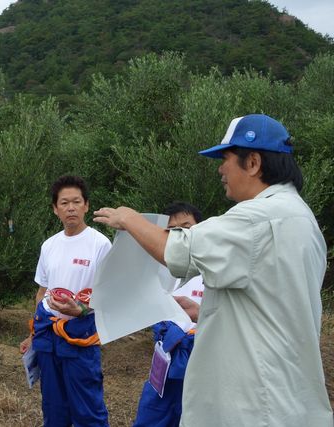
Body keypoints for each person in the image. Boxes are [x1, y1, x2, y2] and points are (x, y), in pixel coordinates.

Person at [93, 114, 333, 426]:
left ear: (253, 162)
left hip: (254, 406)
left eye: (226, 158)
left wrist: (128, 218)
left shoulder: (257, 218)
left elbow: (176, 251)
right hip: (288, 397)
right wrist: (206, 311)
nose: (220, 168)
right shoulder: (302, 218)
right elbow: (271, 303)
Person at [19, 175, 111, 427]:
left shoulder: (100, 244)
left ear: (86, 206)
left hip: (80, 336)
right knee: (53, 406)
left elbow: (109, 294)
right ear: (55, 208)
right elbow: (42, 292)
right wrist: (32, 334)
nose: (70, 208)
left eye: (76, 202)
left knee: (87, 408)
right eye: (64, 203)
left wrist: (80, 309)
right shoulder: (49, 245)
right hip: (49, 335)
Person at [133, 202, 204, 427]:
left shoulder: (213, 269)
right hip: (166, 356)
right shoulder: (161, 269)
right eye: (172, 229)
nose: (180, 233)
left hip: (202, 358)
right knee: (152, 415)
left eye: (186, 226)